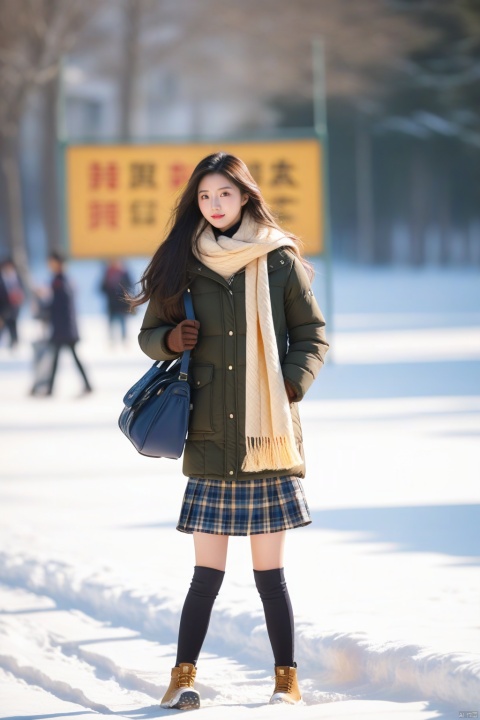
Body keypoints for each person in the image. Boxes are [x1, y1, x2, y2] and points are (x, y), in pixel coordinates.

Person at [129, 152, 329, 710]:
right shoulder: (181, 262)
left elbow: (311, 334)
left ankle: (286, 679)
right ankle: (182, 676)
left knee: (272, 577)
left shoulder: (279, 259)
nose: (214, 205)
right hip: (211, 434)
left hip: (268, 438)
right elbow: (150, 335)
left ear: (244, 196)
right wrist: (172, 342)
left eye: (224, 194)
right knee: (205, 576)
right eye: (204, 196)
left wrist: (288, 387)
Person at [31, 252, 93, 397]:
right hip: (64, 328)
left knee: (61, 359)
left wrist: (43, 301)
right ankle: (83, 386)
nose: (49, 265)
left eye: (51, 262)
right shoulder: (61, 280)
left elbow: (58, 306)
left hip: (63, 329)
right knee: (61, 359)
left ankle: (52, 389)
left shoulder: (60, 282)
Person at [99, 259, 133, 344]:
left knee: (123, 323)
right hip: (112, 305)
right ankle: (112, 341)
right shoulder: (107, 274)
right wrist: (109, 287)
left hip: (122, 305)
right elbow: (101, 288)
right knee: (112, 324)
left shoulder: (124, 273)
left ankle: (124, 340)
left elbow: (130, 286)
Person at [0, 258, 25, 348]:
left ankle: (14, 344)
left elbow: (21, 290)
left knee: (13, 328)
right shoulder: (2, 279)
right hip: (3, 309)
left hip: (14, 308)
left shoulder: (16, 277)